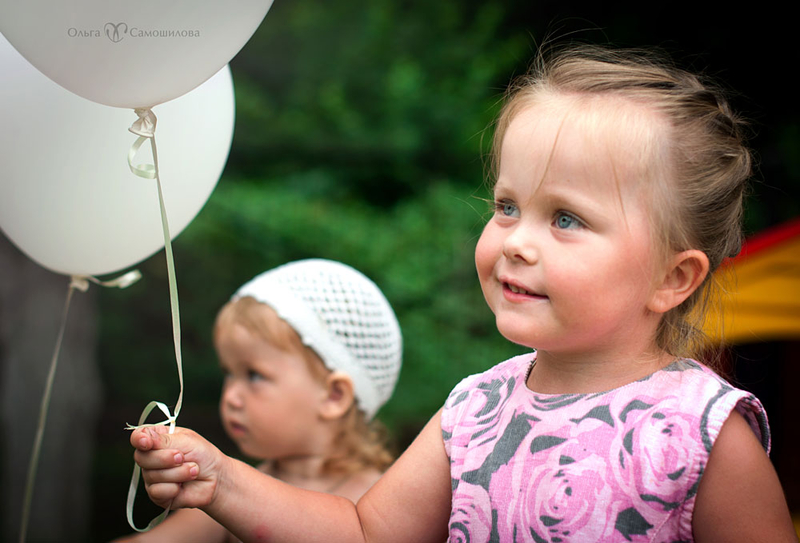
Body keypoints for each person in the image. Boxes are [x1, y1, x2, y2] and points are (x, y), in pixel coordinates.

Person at [129, 45, 798, 542]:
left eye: (566, 218)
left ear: (672, 278)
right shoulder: (475, 409)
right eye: (507, 206)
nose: (517, 241)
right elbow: (363, 533)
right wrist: (222, 479)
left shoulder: (702, 434)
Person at [117, 259, 402, 542]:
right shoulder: (229, 495)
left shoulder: (379, 508)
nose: (230, 397)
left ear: (333, 396)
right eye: (229, 373)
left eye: (254, 375)